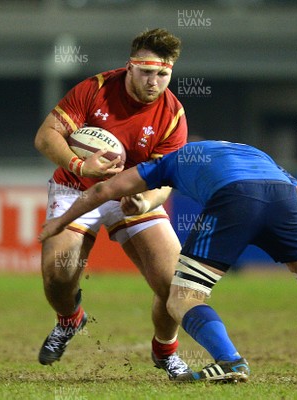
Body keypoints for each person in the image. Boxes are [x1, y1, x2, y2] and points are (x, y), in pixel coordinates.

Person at [38, 140, 297, 384]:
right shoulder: (259, 157)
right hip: (282, 201)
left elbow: (99, 194)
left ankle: (229, 361)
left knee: (181, 299)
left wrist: (58, 221)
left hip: (233, 201)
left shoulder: (169, 161)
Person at [34, 28, 192, 378]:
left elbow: (167, 181)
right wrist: (80, 165)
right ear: (129, 67)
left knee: (175, 284)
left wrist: (146, 202)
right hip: (76, 188)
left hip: (129, 196)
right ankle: (70, 320)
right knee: (57, 275)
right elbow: (45, 136)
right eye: (147, 72)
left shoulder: (173, 116)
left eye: (163, 74)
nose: (154, 81)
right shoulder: (95, 89)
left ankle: (165, 352)